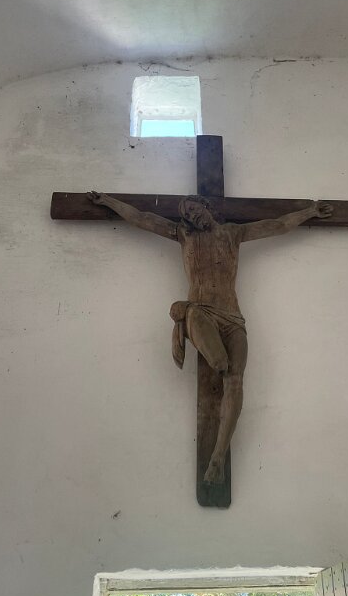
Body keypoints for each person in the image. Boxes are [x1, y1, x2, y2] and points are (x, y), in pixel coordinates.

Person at [87, 190, 333, 484]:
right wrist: (109, 202)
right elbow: (142, 218)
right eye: (187, 215)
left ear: (207, 208)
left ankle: (218, 457)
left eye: (195, 210)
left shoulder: (233, 233)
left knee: (235, 381)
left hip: (233, 318)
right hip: (201, 311)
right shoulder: (183, 235)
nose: (192, 217)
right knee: (219, 363)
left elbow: (278, 225)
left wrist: (310, 212)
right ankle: (183, 322)